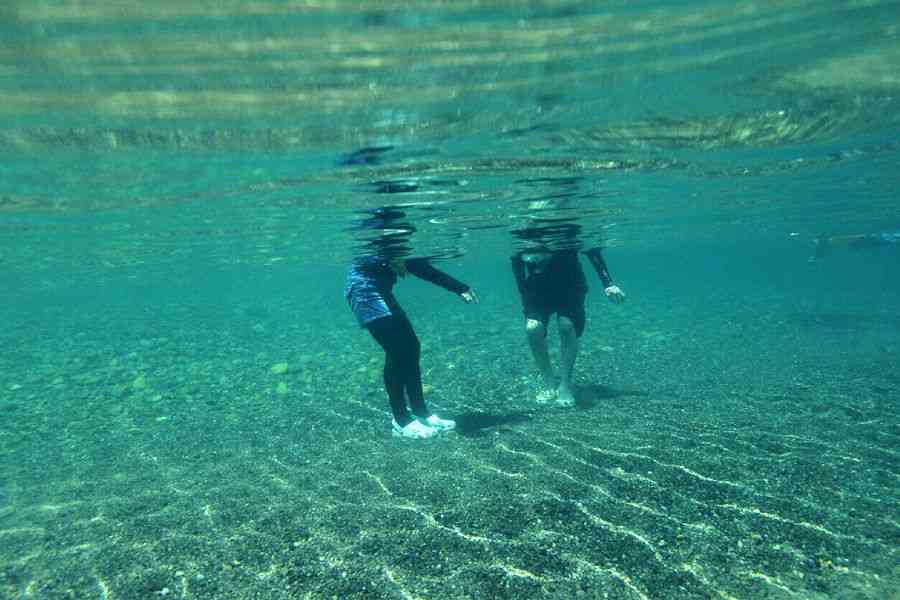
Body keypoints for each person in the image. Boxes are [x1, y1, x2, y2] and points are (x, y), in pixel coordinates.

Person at [346, 208, 478, 439]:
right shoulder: (384, 228)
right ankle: (401, 420)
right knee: (397, 351)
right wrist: (459, 287)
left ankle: (421, 412)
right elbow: (418, 267)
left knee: (411, 347)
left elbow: (415, 264)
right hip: (364, 293)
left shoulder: (399, 230)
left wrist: (459, 287)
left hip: (380, 292)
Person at [511, 224, 625, 407]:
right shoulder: (522, 229)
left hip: (570, 284)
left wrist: (608, 283)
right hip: (537, 288)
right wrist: (523, 290)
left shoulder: (568, 226)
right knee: (533, 329)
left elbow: (592, 250)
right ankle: (548, 380)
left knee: (567, 326)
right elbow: (515, 259)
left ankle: (565, 384)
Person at [810, 231, 900, 261]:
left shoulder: (826, 242)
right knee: (880, 241)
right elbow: (820, 252)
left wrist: (814, 257)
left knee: (880, 241)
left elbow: (820, 252)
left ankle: (893, 238)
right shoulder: (826, 242)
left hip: (856, 243)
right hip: (856, 243)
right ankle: (893, 238)